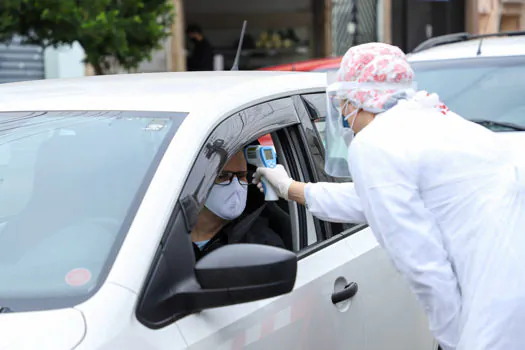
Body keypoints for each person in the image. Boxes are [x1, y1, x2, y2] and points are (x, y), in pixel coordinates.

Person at [253, 42, 525, 350]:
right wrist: (291, 189)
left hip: (499, 312)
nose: (343, 115)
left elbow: (423, 265)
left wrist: (452, 342)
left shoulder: (375, 143)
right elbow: (371, 198)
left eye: (344, 102)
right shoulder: (436, 123)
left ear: (362, 97)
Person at [192, 151, 285, 260]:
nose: (235, 185)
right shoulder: (169, 220)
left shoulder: (262, 245)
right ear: (198, 183)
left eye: (241, 176)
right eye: (223, 176)